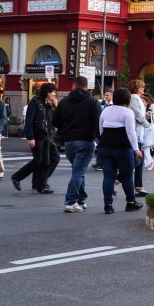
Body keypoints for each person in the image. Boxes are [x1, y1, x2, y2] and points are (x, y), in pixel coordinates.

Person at [56, 76, 101, 213]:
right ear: (87, 86)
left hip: (68, 141)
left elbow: (55, 120)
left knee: (78, 171)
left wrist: (66, 128)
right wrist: (100, 139)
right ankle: (71, 202)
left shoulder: (64, 101)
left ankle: (82, 199)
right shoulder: (93, 101)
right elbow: (98, 122)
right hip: (86, 140)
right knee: (79, 172)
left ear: (74, 85)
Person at [97, 87, 143, 214]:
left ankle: (108, 205)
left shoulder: (105, 111)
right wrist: (136, 149)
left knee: (108, 176)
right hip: (123, 147)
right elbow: (131, 132)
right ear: (128, 100)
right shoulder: (127, 112)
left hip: (105, 146)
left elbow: (101, 130)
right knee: (127, 176)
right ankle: (130, 202)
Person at [12, 83, 59, 194]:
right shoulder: (35, 102)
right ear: (48, 92)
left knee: (51, 160)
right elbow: (29, 121)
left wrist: (55, 106)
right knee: (39, 161)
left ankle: (40, 184)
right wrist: (30, 137)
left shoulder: (48, 104)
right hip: (38, 136)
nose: (54, 95)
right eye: (53, 92)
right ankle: (17, 177)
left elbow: (56, 120)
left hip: (48, 136)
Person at [129, 79, 154, 196]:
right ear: (136, 88)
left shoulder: (137, 98)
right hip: (136, 133)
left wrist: (147, 114)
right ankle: (118, 179)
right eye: (142, 86)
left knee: (140, 160)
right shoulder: (134, 98)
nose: (144, 88)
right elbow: (137, 114)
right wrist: (148, 125)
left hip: (139, 133)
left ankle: (139, 186)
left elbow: (140, 114)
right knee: (137, 160)